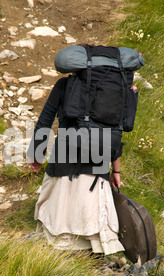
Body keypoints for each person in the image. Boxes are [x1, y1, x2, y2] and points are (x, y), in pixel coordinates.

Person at [27, 70, 128, 256]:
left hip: (64, 154)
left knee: (58, 203)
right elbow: (116, 133)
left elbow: (46, 118)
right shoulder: (113, 89)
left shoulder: (64, 85)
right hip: (98, 159)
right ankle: (93, 248)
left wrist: (36, 154)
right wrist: (116, 171)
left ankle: (60, 247)